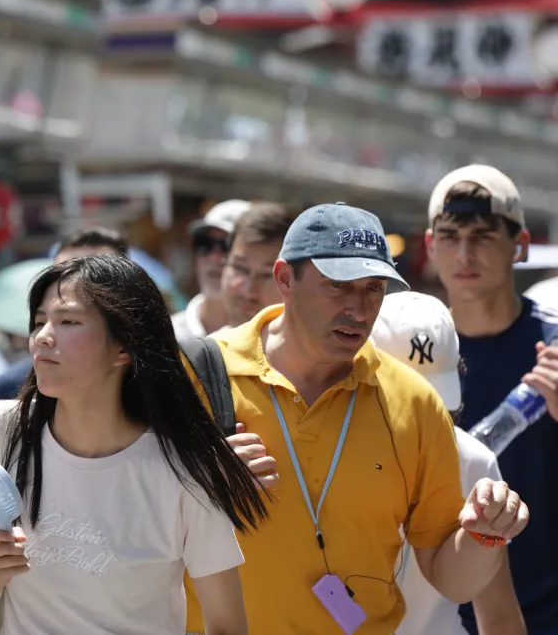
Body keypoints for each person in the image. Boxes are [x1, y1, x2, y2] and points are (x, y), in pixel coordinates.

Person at [184, 202, 530, 634]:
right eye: (338, 285)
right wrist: (197, 480)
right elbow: (123, 512)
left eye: (373, 288)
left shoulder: (414, 402)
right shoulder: (195, 374)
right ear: (285, 279)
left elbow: (451, 581)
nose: (360, 308)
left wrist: (485, 534)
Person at [0, 254, 268, 635]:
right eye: (38, 322)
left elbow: (227, 624)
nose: (43, 336)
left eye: (68, 321)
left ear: (123, 349)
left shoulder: (186, 468)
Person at [425, 164, 558, 634]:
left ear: (519, 246)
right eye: (449, 235)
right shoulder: (406, 348)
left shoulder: (553, 346)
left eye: (482, 236)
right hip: (433, 610)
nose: (464, 253)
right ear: (429, 245)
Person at [370, 291, 526, 635]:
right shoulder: (315, 442)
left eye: (432, 400)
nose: (419, 417)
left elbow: (499, 616)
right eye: (402, 399)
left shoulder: (472, 459)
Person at [0, 226, 129, 401]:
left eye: (95, 275)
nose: (74, 285)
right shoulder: (10, 390)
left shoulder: (157, 389)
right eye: (62, 274)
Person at [172, 199, 251, 340]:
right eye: (205, 244)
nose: (215, 257)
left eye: (228, 246)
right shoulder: (168, 337)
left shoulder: (272, 338)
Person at [218, 202, 299, 330]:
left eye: (267, 275)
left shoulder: (318, 349)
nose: (248, 291)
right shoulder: (202, 347)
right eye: (240, 268)